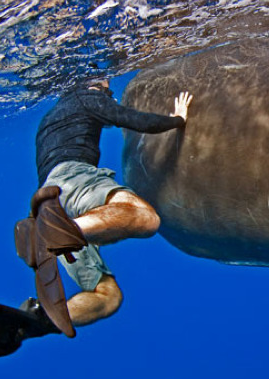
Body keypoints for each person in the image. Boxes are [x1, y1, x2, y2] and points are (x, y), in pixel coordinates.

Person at [15, 79, 192, 337]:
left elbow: (97, 120)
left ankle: (39, 320)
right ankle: (61, 231)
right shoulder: (87, 97)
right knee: (145, 218)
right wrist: (177, 119)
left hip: (46, 202)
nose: (110, 94)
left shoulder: (49, 119)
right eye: (107, 89)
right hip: (72, 178)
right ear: (92, 84)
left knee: (108, 296)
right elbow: (133, 120)